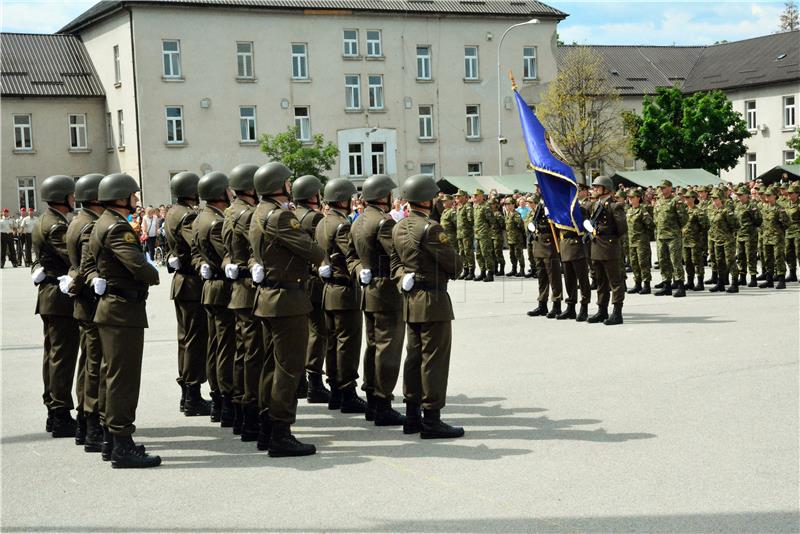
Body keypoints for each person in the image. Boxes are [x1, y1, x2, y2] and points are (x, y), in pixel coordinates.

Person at [248, 161, 325, 456]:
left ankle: (268, 427)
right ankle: (281, 431)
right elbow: (312, 251)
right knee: (288, 369)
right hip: (286, 299)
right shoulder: (280, 216)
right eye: (287, 182)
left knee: (271, 366)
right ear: (277, 186)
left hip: (269, 298)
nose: (291, 186)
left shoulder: (259, 212)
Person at [89, 172, 161, 468]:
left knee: (111, 375)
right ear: (120, 197)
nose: (136, 200)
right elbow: (137, 265)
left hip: (113, 309)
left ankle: (111, 439)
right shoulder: (118, 228)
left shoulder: (102, 222)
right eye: (133, 195)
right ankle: (122, 444)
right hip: (122, 310)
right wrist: (152, 272)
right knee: (123, 379)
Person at [392, 174, 463, 438]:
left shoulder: (398, 227)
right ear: (425, 200)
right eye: (434, 197)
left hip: (411, 300)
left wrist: (403, 279)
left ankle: (412, 416)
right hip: (433, 300)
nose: (436, 201)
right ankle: (432, 418)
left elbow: (394, 266)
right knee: (433, 359)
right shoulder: (431, 228)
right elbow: (454, 266)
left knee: (413, 358)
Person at [351, 174, 405, 426]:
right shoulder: (384, 222)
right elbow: (398, 253)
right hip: (386, 291)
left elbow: (351, 256)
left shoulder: (359, 220)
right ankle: (382, 402)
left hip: (369, 289)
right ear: (384, 196)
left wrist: (361, 269)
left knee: (373, 346)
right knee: (388, 348)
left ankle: (372, 397)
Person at [31, 175, 80, 437]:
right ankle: (60, 413)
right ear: (62, 197)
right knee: (62, 356)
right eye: (71, 195)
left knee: (52, 355)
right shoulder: (57, 226)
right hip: (60, 298)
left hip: (49, 296)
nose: (74, 199)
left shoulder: (43, 220)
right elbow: (72, 256)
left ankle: (54, 410)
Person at [316, 178, 367, 413]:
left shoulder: (323, 222)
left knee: (333, 342)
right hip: (345, 290)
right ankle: (347, 391)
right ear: (344, 200)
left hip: (328, 290)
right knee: (348, 343)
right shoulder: (342, 225)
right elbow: (351, 255)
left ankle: (336, 390)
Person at [221, 163, 263, 440]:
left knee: (241, 353)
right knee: (253, 355)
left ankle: (239, 411)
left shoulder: (229, 212)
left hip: (239, 289)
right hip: (249, 290)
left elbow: (227, 252)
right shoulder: (247, 215)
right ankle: (250, 415)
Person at [164, 172, 211, 417]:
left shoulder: (173, 211)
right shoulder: (188, 215)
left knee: (185, 339)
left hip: (182, 282)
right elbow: (198, 244)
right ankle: (192, 394)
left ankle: (187, 393)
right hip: (192, 284)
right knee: (195, 340)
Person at [65, 173, 106, 452]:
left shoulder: (77, 221)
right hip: (92, 303)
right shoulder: (90, 225)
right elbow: (85, 266)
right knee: (95, 366)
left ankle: (83, 421)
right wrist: (76, 283)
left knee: (88, 364)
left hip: (84, 302)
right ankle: (92, 425)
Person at [194, 171, 236, 427]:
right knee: (225, 348)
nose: (231, 193)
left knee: (215, 347)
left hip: (211, 287)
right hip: (222, 288)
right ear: (220, 193)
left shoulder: (202, 217)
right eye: (228, 190)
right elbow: (227, 253)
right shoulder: (215, 222)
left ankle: (219, 398)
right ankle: (226, 399)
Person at [291, 175, 333, 405]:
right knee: (319, 331)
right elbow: (321, 248)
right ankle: (315, 382)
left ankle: (300, 381)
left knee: (302, 333)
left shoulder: (292, 214)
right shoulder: (315, 217)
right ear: (311, 195)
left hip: (297, 282)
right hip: (315, 281)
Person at [585, 175, 627, 325]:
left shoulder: (615, 206)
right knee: (600, 281)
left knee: (615, 282)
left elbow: (622, 228)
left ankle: (617, 313)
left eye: (597, 187)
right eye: (594, 187)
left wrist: (606, 235)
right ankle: (602, 310)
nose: (594, 189)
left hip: (609, 248)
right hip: (597, 248)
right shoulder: (595, 205)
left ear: (606, 189)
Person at [526, 195, 563, 318]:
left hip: (549, 243)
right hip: (539, 243)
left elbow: (559, 224)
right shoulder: (540, 204)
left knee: (554, 276)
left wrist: (551, 217)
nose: (537, 189)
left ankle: (556, 305)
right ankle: (542, 304)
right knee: (541, 276)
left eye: (538, 187)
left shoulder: (552, 203)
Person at [653, 179, 688, 297]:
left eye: (664, 188)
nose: (661, 190)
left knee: (675, 261)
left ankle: (680, 286)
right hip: (661, 236)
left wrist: (676, 229)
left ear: (670, 188)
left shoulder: (676, 201)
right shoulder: (659, 201)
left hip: (673, 236)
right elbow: (655, 217)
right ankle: (666, 286)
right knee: (663, 261)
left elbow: (683, 218)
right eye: (660, 188)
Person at [557, 205, 591, 322]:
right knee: (569, 279)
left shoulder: (579, 209)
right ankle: (571, 307)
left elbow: (583, 227)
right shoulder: (560, 208)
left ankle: (584, 307)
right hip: (565, 246)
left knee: (582, 280)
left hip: (577, 246)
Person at [706, 188, 740, 293]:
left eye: (716, 199)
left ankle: (734, 283)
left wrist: (729, 234)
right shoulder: (713, 211)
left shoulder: (727, 211)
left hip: (727, 240)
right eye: (713, 199)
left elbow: (735, 225)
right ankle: (720, 283)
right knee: (719, 262)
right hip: (717, 240)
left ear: (721, 199)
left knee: (730, 261)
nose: (714, 201)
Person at [759, 186, 790, 289]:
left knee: (779, 258)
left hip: (777, 237)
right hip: (766, 237)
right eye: (766, 195)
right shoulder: (764, 208)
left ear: (775, 196)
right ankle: (769, 280)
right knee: (768, 259)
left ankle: (781, 280)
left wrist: (779, 231)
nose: (766, 197)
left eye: (769, 195)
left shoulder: (779, 209)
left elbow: (786, 223)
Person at [626, 189, 654, 294]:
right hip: (631, 241)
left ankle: (646, 285)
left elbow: (650, 225)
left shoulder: (643, 210)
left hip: (641, 242)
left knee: (643, 263)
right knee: (634, 263)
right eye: (629, 197)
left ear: (638, 198)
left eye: (632, 197)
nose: (630, 199)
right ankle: (637, 284)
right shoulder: (629, 211)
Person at [734, 185, 762, 288]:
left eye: (741, 195)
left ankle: (753, 278)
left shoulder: (752, 206)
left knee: (751, 257)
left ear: (746, 195)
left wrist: (751, 227)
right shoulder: (737, 205)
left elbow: (758, 220)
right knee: (740, 257)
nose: (739, 197)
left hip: (750, 235)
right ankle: (742, 278)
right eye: (738, 195)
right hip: (740, 235)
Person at [681, 190, 708, 291]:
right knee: (688, 262)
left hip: (695, 241)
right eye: (685, 198)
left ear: (693, 198)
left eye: (687, 198)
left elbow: (705, 226)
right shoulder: (684, 211)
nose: (685, 199)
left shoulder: (698, 211)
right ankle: (690, 282)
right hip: (685, 241)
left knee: (697, 262)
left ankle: (700, 283)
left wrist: (699, 236)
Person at [472, 189, 495, 282]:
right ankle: (482, 272)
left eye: (476, 195)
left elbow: (491, 220)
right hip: (477, 234)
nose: (474, 197)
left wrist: (486, 230)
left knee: (486, 253)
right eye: (474, 195)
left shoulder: (486, 206)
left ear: (481, 196)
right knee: (478, 254)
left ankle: (490, 273)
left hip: (484, 234)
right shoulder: (476, 206)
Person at [454, 190, 475, 280]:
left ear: (464, 197)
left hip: (467, 234)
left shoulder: (468, 207)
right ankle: (465, 270)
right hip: (460, 234)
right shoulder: (459, 207)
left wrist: (469, 231)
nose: (457, 198)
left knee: (468, 252)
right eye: (456, 196)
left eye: (459, 196)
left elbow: (471, 221)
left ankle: (471, 272)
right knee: (462, 253)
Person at [503, 197, 526, 277]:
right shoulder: (507, 214)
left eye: (509, 204)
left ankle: (522, 270)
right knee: (512, 255)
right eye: (506, 204)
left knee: (519, 254)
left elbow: (521, 226)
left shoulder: (516, 214)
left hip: (517, 239)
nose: (507, 206)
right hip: (510, 239)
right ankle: (514, 269)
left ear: (513, 205)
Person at [784, 183, 800, 283]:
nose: (789, 194)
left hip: (798, 231)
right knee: (788, 253)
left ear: (797, 194)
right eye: (788, 192)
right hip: (788, 231)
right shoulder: (786, 204)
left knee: (799, 252)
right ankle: (792, 273)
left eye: (791, 193)